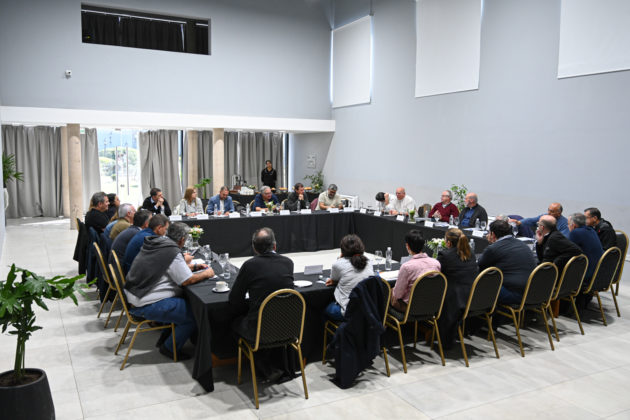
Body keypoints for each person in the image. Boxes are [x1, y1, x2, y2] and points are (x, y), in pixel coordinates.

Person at [124, 222, 215, 360]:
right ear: (182, 240)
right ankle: (169, 348)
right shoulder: (171, 251)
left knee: (187, 302)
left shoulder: (158, 243)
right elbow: (186, 280)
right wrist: (206, 273)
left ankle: (167, 338)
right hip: (146, 303)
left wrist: (194, 267)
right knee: (195, 314)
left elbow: (167, 269)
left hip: (135, 295)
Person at [229, 227, 293, 381]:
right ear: (275, 246)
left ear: (254, 248)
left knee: (233, 322)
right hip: (289, 328)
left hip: (259, 330)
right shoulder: (288, 263)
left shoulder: (250, 265)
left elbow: (235, 298)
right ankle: (274, 363)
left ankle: (262, 364)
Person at [437, 228, 479, 348]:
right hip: (473, 298)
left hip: (453, 301)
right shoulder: (471, 254)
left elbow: (437, 275)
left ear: (448, 243)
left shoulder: (445, 255)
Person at [478, 220, 536, 305]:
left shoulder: (494, 248)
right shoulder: (522, 244)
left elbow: (480, 265)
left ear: (492, 234)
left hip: (515, 294)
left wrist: (491, 244)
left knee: (478, 285)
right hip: (532, 291)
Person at [324, 235, 374, 321]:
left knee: (323, 309)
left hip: (348, 312)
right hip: (368, 310)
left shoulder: (338, 264)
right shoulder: (369, 262)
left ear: (342, 250)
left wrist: (340, 259)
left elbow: (333, 279)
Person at [391, 230, 441, 312]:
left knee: (388, 291)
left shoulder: (406, 267)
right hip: (431, 306)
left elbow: (397, 295)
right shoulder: (436, 263)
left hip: (410, 308)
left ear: (407, 246)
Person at [568, 212, 603, 281]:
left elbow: (568, 253)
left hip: (585, 274)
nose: (567, 226)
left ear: (573, 225)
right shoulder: (592, 230)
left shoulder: (575, 233)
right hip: (598, 273)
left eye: (568, 224)